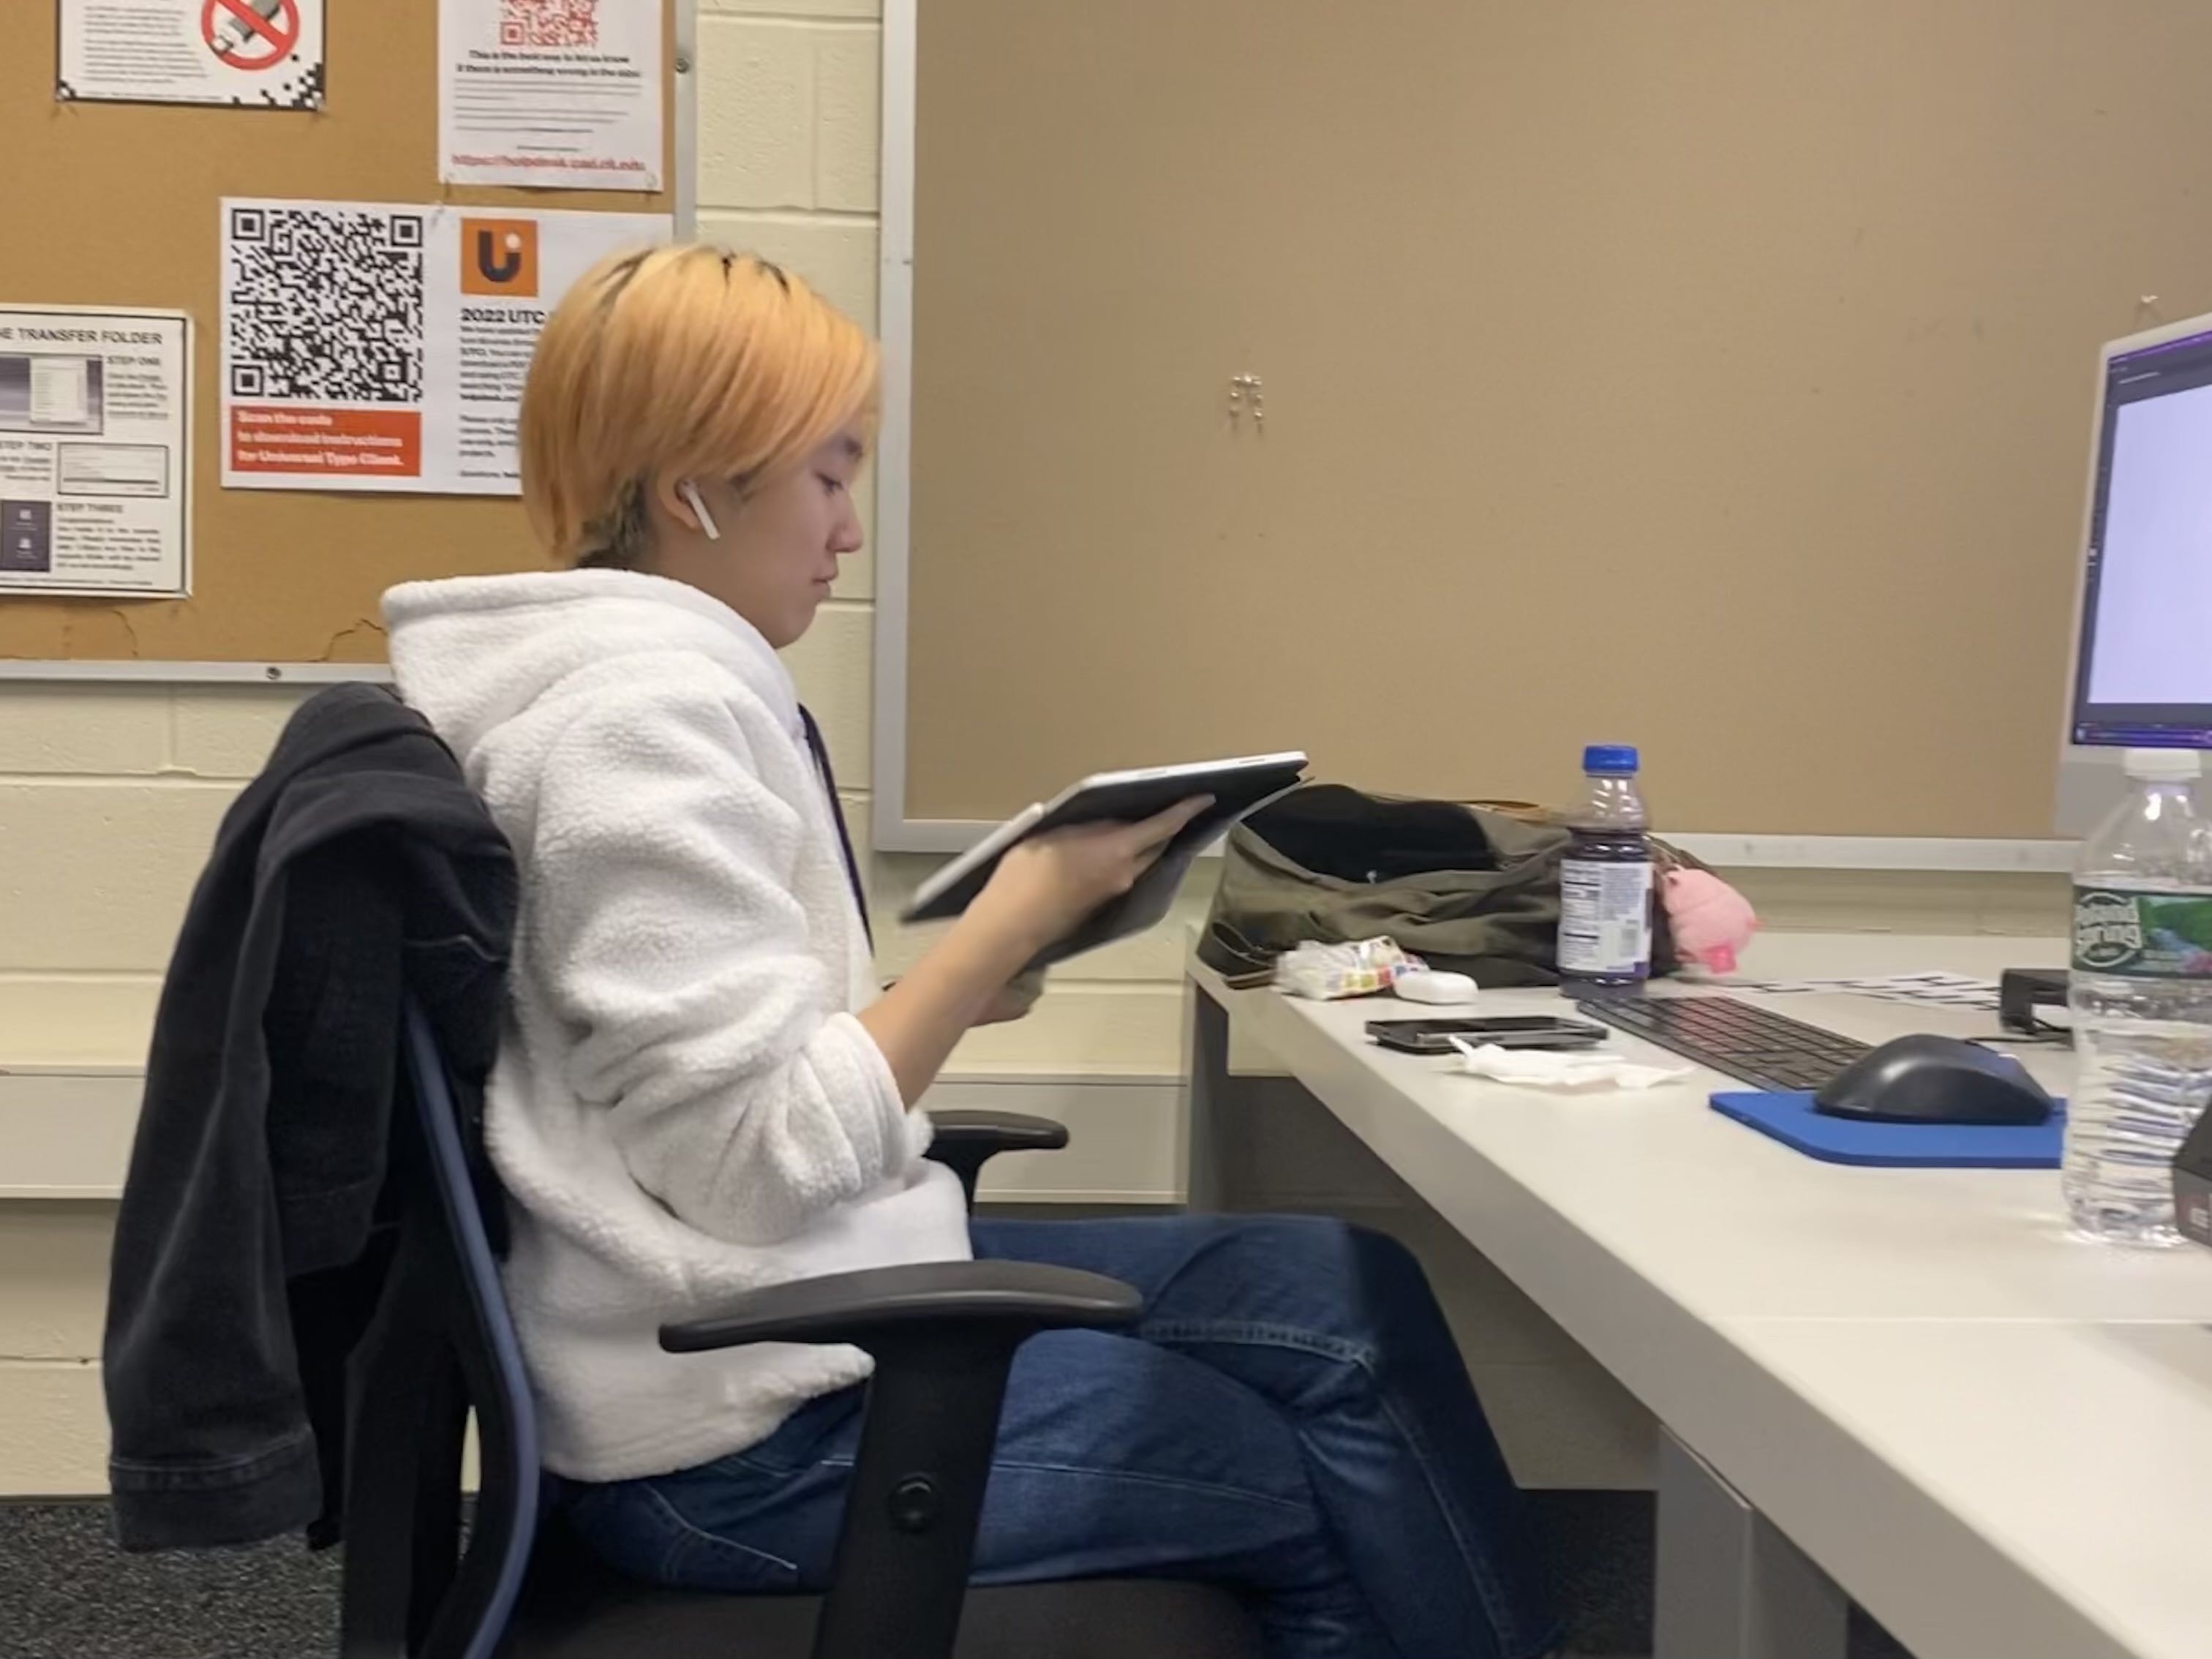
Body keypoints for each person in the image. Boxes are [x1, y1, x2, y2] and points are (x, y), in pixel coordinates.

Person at [381, 244, 1559, 1659]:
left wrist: (952, 989)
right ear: (697, 490)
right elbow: (750, 1165)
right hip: (743, 1438)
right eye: (829, 476)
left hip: (790, 1301)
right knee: (1317, 1481)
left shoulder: (654, 695)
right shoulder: (635, 731)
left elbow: (713, 1085)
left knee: (1349, 1292)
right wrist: (1011, 914)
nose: (849, 530)